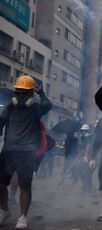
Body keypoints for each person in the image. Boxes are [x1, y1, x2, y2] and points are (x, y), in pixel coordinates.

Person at [0, 75, 52, 229]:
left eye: (25, 92)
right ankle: (4, 210)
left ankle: (23, 217)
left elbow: (48, 105)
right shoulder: (10, 107)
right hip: (9, 150)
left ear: (31, 93)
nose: (21, 95)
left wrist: (41, 93)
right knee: (1, 184)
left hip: (27, 152)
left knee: (25, 185)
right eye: (18, 92)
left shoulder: (35, 108)